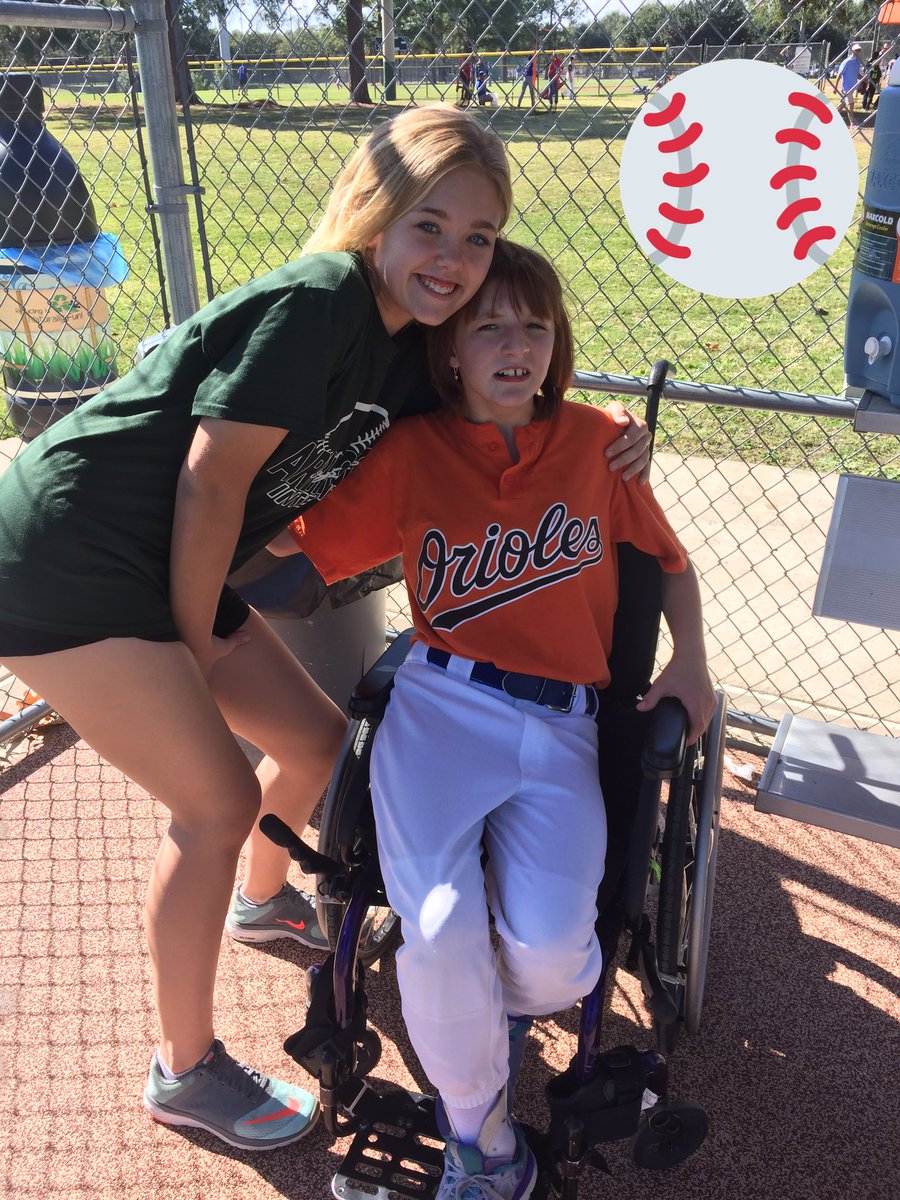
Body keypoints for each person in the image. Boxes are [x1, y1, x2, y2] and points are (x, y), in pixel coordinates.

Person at [0, 107, 652, 1153]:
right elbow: (211, 489)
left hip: (163, 560)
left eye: (477, 237)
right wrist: (187, 643)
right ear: (375, 214)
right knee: (214, 802)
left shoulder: (411, 347)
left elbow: (507, 409)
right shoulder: (319, 303)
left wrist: (608, 432)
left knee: (312, 746)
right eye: (429, 225)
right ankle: (184, 1069)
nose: (453, 259)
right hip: (65, 561)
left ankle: (262, 908)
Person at [276, 240, 716, 1199]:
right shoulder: (409, 453)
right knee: (435, 926)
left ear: (555, 345)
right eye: (488, 326)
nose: (515, 344)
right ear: (450, 351)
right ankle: (484, 1147)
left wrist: (692, 660)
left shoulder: (601, 442)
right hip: (440, 703)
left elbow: (670, 563)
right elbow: (294, 538)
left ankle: (471, 1034)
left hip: (562, 724)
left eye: (535, 326)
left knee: (558, 960)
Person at [834, 42, 863, 123]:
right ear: (852, 51)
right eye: (856, 50)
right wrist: (835, 88)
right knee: (851, 104)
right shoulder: (847, 61)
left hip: (852, 87)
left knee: (843, 104)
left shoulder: (857, 62)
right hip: (846, 88)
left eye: (859, 50)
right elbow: (839, 75)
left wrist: (865, 79)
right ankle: (852, 124)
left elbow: (856, 74)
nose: (858, 51)